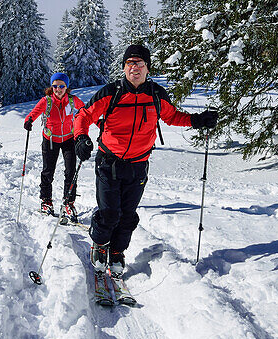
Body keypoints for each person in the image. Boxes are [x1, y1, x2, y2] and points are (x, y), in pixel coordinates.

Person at [73, 44, 217, 275]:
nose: (135, 68)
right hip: (109, 161)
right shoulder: (111, 93)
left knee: (127, 215)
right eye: (130, 63)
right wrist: (81, 138)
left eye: (139, 63)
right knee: (109, 212)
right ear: (124, 68)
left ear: (147, 68)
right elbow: (83, 115)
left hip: (139, 164)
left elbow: (172, 116)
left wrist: (197, 120)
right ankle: (100, 245)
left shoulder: (156, 95)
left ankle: (118, 251)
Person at [24, 72, 86, 222]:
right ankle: (46, 201)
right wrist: (28, 121)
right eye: (55, 86)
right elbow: (34, 112)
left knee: (71, 172)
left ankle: (68, 203)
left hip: (69, 140)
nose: (58, 89)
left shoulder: (73, 101)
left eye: (61, 86)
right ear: (51, 87)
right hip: (50, 140)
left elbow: (86, 112)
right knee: (48, 171)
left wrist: (100, 123)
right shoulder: (47, 101)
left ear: (66, 87)